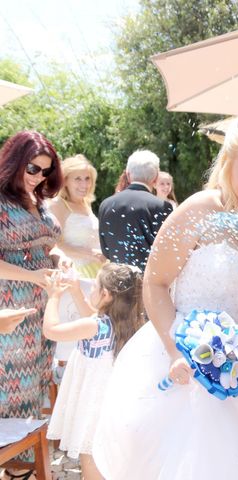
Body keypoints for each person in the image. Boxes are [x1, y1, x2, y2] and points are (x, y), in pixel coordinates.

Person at [92, 109, 238, 479]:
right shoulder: (198, 209)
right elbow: (154, 283)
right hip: (189, 358)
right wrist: (175, 350)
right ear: (229, 167)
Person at [0, 131, 69, 476]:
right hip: (10, 309)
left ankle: (20, 471)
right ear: (14, 161)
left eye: (45, 170)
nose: (38, 176)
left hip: (42, 309)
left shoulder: (37, 200)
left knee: (35, 389)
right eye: (32, 167)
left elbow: (46, 245)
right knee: (12, 393)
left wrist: (59, 260)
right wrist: (34, 276)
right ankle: (16, 468)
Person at [43, 264, 144, 480]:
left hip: (92, 405)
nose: (91, 290)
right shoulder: (127, 323)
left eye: (93, 287)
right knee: (108, 458)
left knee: (89, 456)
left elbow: (51, 331)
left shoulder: (94, 326)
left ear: (106, 295)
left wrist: (53, 296)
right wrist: (76, 290)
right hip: (113, 403)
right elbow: (91, 315)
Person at [98, 150, 173, 270]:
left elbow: (106, 250)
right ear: (155, 178)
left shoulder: (106, 204)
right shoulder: (161, 206)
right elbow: (168, 250)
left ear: (128, 175)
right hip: (148, 282)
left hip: (116, 280)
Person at [49, 154, 105, 279]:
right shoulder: (58, 205)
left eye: (87, 178)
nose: (84, 184)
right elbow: (53, 245)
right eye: (78, 179)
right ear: (65, 181)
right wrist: (91, 254)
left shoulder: (85, 203)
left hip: (96, 270)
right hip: (74, 273)